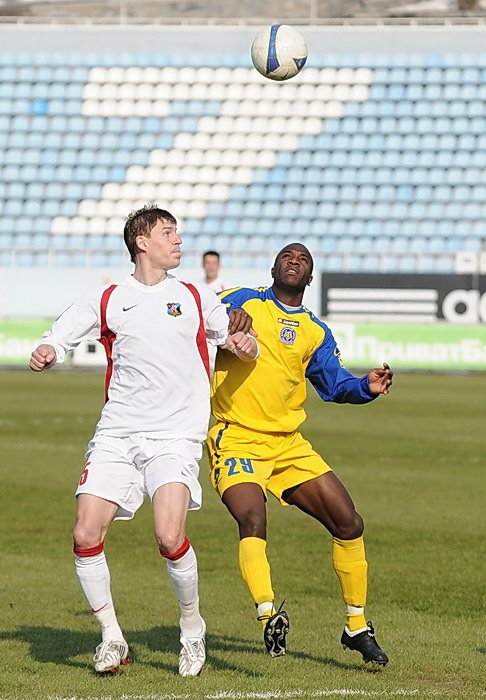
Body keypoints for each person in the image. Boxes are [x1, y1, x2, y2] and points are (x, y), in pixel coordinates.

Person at [29, 206, 258, 676]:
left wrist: (245, 344)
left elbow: (237, 338)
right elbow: (61, 333)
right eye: (167, 232)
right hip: (118, 433)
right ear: (141, 242)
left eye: (177, 232)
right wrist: (49, 348)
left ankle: (192, 629)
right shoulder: (110, 297)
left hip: (175, 436)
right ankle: (112, 637)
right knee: (84, 534)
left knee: (169, 536)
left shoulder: (194, 294)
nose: (178, 240)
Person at [207, 243, 393, 666]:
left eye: (303, 259)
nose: (294, 261)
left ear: (310, 278)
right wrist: (222, 319)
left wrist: (365, 387)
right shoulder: (242, 299)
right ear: (273, 267)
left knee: (349, 523)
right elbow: (199, 316)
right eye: (287, 256)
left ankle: (356, 626)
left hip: (288, 444)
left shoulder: (315, 331)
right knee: (252, 518)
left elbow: (335, 384)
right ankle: (268, 615)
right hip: (238, 437)